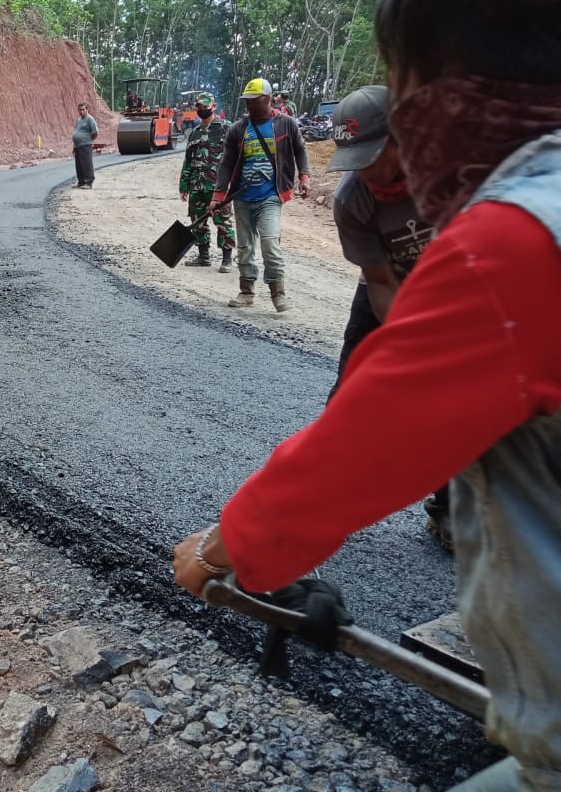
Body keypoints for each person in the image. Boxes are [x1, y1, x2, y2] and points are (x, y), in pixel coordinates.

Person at [174, 0, 561, 792]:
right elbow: (381, 313)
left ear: (446, 100)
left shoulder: (517, 247)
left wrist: (224, 550)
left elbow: (357, 459)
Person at [326, 84, 449, 546]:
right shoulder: (352, 200)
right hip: (389, 288)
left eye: (372, 156)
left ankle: (451, 510)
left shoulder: (453, 172)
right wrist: (408, 350)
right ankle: (324, 494)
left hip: (454, 292)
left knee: (456, 404)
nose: (363, 170)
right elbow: (380, 282)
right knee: (350, 395)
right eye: (353, 158)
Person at [210, 77, 310, 312]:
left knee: (269, 243)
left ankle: (278, 294)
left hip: (271, 195)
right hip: (243, 196)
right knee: (244, 247)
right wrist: (218, 195)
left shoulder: (286, 124)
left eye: (254, 101)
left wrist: (304, 177)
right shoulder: (238, 129)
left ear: (267, 99)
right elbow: (227, 164)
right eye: (247, 101)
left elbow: (300, 150)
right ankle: (246, 292)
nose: (249, 105)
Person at [178, 92, 235, 270]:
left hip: (218, 186)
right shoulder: (194, 133)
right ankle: (203, 256)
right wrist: (184, 184)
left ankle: (226, 259)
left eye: (205, 106)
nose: (202, 109)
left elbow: (236, 156)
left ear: (214, 106)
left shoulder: (226, 128)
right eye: (199, 107)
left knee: (223, 222)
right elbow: (188, 160)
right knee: (198, 221)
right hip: (197, 185)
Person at [72, 101, 98, 189]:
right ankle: (81, 181)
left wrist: (88, 140)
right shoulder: (79, 120)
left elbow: (95, 132)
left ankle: (89, 182)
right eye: (80, 110)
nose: (81, 111)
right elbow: (76, 132)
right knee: (79, 165)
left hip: (86, 145)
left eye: (83, 109)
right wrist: (74, 146)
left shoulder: (90, 119)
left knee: (87, 164)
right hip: (78, 146)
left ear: (87, 110)